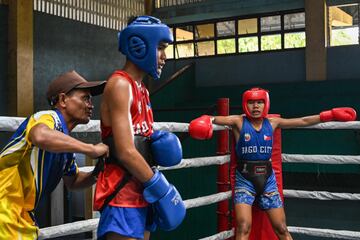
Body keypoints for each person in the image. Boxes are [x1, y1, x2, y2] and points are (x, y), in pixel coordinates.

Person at [188, 87, 356, 240]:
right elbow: (212, 118)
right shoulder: (238, 121)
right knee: (243, 227)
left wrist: (329, 115)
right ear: (245, 105)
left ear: (265, 104)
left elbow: (303, 121)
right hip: (244, 180)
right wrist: (204, 121)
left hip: (268, 180)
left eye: (259, 102)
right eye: (251, 102)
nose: (255, 106)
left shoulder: (273, 122)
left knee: (281, 228)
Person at [93, 16, 186, 240]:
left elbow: (140, 137)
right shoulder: (120, 85)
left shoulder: (141, 89)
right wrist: (160, 188)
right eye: (161, 48)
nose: (164, 57)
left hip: (141, 188)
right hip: (122, 192)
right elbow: (125, 151)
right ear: (140, 45)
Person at [0, 70, 109, 239]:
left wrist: (100, 170)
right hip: (4, 210)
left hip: (19, 218)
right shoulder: (48, 117)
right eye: (85, 98)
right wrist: (91, 149)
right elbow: (40, 136)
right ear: (63, 100)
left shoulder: (64, 143)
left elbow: (73, 181)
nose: (91, 104)